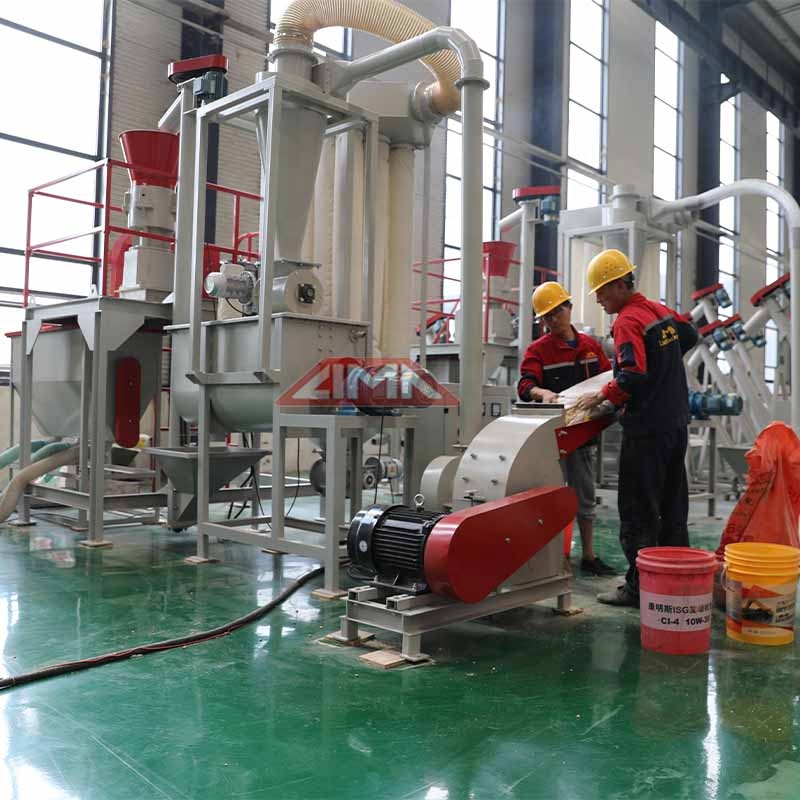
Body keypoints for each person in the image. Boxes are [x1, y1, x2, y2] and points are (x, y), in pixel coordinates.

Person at [577, 249, 698, 606]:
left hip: (646, 429)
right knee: (673, 506)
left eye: (601, 291)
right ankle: (676, 582)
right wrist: (665, 365)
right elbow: (690, 335)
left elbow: (633, 374)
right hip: (675, 423)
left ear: (619, 285)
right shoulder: (659, 311)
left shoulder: (627, 321)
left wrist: (601, 396)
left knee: (638, 509)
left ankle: (638, 587)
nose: (598, 299)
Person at [517, 281, 615, 576]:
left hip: (582, 436)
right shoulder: (539, 350)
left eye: (557, 312)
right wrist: (542, 393)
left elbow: (608, 380)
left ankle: (588, 556)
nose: (553, 320)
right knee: (549, 497)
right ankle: (552, 558)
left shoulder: (591, 347)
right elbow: (525, 385)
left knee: (584, 496)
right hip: (551, 438)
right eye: (547, 317)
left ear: (569, 308)